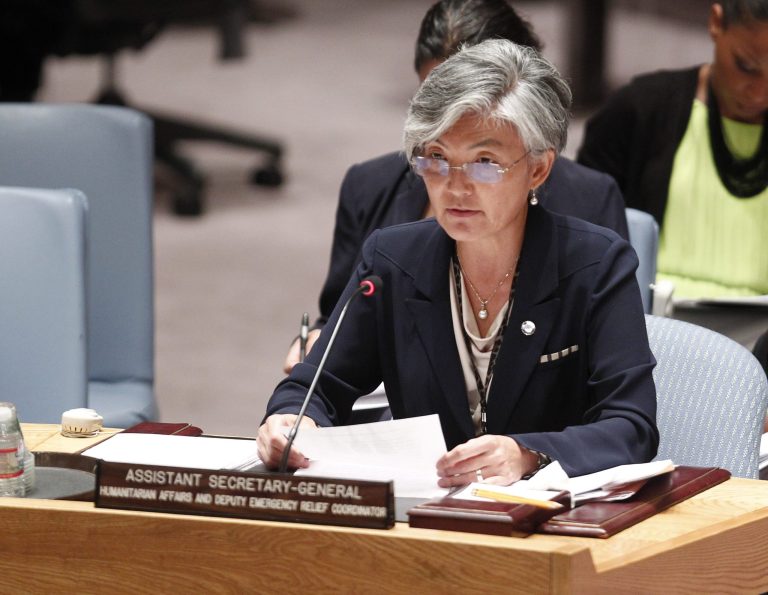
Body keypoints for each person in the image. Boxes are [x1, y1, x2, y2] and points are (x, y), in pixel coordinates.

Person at [259, 40, 659, 485]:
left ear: (539, 170)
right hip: (426, 516)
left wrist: (529, 454)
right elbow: (313, 387)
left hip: (552, 524)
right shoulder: (392, 262)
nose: (455, 186)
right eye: (438, 159)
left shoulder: (596, 265)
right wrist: (291, 423)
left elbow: (631, 426)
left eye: (484, 163)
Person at [282, 0, 628, 373]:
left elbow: (611, 356)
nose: (450, 116)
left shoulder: (589, 203)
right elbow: (339, 319)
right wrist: (317, 345)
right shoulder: (368, 186)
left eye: (484, 161)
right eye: (435, 98)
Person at [578, 1, 768, 374]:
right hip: (644, 347)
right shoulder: (638, 111)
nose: (760, 93)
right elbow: (577, 249)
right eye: (746, 66)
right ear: (716, 23)